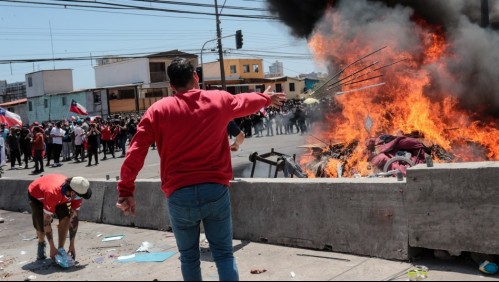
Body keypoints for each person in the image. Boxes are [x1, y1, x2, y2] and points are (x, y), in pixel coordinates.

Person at [116, 57, 286, 281]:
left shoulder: (157, 111)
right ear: (195, 77)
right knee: (224, 255)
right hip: (215, 191)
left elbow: (135, 151)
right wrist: (266, 98)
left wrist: (126, 190)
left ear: (171, 86)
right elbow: (243, 101)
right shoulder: (218, 100)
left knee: (189, 258)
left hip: (179, 196)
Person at [28, 174, 92, 261]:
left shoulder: (77, 192)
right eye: (79, 196)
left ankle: (60, 249)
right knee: (40, 225)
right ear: (72, 192)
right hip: (37, 195)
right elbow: (46, 221)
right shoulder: (52, 193)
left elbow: (74, 218)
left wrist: (72, 244)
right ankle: (41, 243)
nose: (80, 198)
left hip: (60, 196)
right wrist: (52, 247)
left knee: (66, 217)